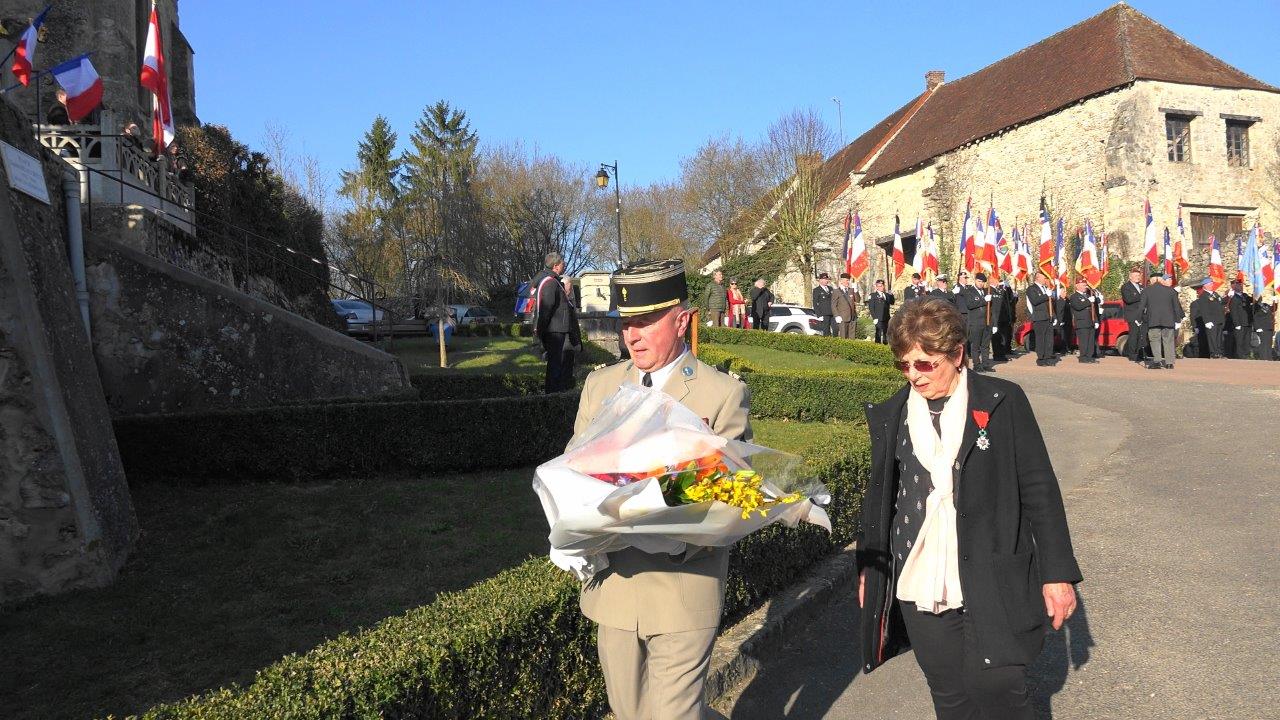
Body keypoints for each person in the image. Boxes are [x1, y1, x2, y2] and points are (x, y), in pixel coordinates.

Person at [858, 298, 1081, 720]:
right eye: (904, 365)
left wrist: (1057, 575)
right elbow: (881, 499)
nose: (913, 376)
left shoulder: (1002, 401)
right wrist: (872, 571)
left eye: (925, 364)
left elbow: (1039, 490)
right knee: (950, 695)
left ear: (957, 354)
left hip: (993, 571)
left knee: (999, 689)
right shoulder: (894, 414)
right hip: (920, 574)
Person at [571, 258, 751, 720]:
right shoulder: (601, 387)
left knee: (670, 715)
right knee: (630, 712)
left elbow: (734, 496)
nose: (632, 334)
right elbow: (574, 471)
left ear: (682, 320)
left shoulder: (720, 394)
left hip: (683, 584)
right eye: (626, 321)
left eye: (646, 320)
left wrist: (672, 519)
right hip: (616, 586)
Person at [533, 252, 581, 392]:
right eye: (562, 263)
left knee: (557, 364)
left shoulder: (553, 281)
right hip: (554, 331)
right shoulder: (549, 282)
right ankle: (553, 394)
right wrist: (540, 333)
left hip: (558, 329)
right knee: (555, 365)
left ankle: (557, 391)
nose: (564, 264)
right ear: (556, 266)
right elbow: (545, 310)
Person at [1137, 271, 1184, 369]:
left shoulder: (1147, 291)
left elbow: (1141, 306)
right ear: (1161, 279)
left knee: (1155, 340)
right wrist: (1177, 320)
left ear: (1152, 280)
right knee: (1169, 341)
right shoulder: (1171, 291)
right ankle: (1169, 363)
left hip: (1153, 320)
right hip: (1168, 320)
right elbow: (1176, 307)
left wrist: (1138, 318)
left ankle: (1157, 361)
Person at [962, 272, 1001, 372]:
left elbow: (992, 310)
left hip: (987, 322)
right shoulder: (969, 291)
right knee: (975, 345)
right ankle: (977, 364)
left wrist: (994, 324)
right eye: (979, 281)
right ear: (975, 280)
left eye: (983, 282)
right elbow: (970, 304)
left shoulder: (986, 291)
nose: (981, 284)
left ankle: (986, 364)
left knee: (985, 345)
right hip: (975, 323)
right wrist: (984, 300)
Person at [1025, 270, 1060, 366]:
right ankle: (1041, 359)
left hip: (1049, 317)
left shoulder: (1045, 288)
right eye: (1044, 277)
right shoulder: (1031, 289)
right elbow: (1035, 301)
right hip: (1039, 318)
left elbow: (1050, 305)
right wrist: (1046, 296)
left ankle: (1048, 357)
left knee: (1049, 339)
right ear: (1038, 278)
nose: (1045, 279)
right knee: (1041, 339)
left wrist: (1054, 316)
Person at [1068, 277, 1102, 364]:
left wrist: (1096, 321)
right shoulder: (1074, 297)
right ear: (1077, 286)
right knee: (1084, 341)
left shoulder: (1088, 295)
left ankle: (1089, 357)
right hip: (1081, 322)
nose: (1085, 287)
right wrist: (1088, 301)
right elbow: (1078, 306)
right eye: (1083, 285)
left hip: (1091, 321)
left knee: (1091, 341)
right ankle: (1083, 357)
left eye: (1085, 285)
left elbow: (1093, 310)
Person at [1190, 279, 1226, 359]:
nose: (1211, 285)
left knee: (1219, 337)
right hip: (1211, 320)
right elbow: (1204, 310)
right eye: (1209, 284)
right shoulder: (1203, 296)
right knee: (1212, 338)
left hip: (1219, 319)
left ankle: (1219, 352)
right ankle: (1214, 353)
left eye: (1212, 283)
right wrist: (1207, 321)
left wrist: (1228, 297)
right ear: (1205, 286)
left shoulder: (1215, 294)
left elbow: (1221, 304)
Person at [1120, 267, 1147, 362]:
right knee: (1134, 334)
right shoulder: (1126, 287)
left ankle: (1140, 353)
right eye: (1135, 275)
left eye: (1138, 275)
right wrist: (1141, 296)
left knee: (1142, 335)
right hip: (1132, 314)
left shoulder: (1142, 287)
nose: (1137, 277)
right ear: (1130, 277)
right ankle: (1132, 354)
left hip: (1143, 314)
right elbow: (1128, 299)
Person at [1224, 279, 1254, 359]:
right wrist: (1237, 323)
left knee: (1247, 341)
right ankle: (1240, 356)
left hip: (1247, 322)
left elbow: (1253, 300)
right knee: (1239, 341)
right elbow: (1234, 311)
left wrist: (1256, 292)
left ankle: (1246, 355)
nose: (1241, 286)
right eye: (1238, 284)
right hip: (1240, 323)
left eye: (1241, 284)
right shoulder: (1233, 297)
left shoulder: (1245, 295)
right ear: (1234, 286)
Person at [993, 278, 1016, 361]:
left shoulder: (1004, 291)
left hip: (1005, 317)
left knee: (1004, 337)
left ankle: (1002, 353)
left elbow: (1009, 302)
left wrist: (1010, 290)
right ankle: (997, 355)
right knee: (997, 338)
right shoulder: (992, 291)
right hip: (997, 318)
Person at [833, 272, 860, 339]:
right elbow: (833, 305)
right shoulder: (836, 291)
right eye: (846, 280)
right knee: (843, 337)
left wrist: (856, 290)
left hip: (852, 317)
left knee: (852, 338)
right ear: (841, 281)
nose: (848, 282)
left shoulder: (851, 290)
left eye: (848, 280)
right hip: (842, 318)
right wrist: (836, 315)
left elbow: (858, 300)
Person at [867, 279, 894, 344]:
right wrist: (874, 317)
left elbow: (892, 302)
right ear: (876, 287)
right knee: (878, 333)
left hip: (886, 317)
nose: (880, 287)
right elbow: (871, 307)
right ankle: (877, 347)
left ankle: (885, 346)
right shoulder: (873, 295)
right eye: (879, 286)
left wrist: (891, 295)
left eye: (881, 286)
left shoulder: (886, 295)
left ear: (884, 286)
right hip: (878, 318)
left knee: (886, 333)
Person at [1252, 296, 1276, 361]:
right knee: (1264, 343)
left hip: (1269, 327)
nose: (1259, 298)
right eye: (1257, 297)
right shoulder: (1255, 307)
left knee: (1269, 343)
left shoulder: (1265, 305)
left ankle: (1269, 357)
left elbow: (1273, 309)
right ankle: (1263, 357)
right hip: (1262, 327)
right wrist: (1257, 327)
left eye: (1260, 297)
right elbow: (1255, 318)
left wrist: (1275, 302)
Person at [812, 272, 835, 336]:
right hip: (824, 314)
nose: (826, 281)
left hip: (832, 313)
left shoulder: (831, 289)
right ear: (820, 280)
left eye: (827, 279)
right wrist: (819, 315)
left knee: (836, 329)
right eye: (825, 279)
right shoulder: (816, 290)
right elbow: (815, 303)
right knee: (826, 331)